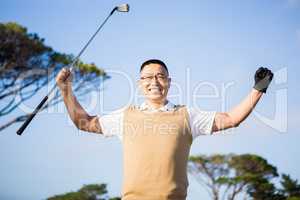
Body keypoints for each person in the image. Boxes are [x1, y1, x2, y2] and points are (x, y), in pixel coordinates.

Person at [56, 59, 273, 200]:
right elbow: (83, 122)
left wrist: (259, 88)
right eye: (148, 77)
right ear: (140, 83)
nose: (154, 81)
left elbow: (231, 119)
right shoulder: (126, 115)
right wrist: (65, 89)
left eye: (160, 76)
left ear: (169, 82)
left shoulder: (187, 115)